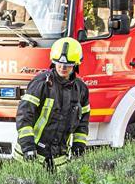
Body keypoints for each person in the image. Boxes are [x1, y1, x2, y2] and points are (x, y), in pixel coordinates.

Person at [14, 37, 91, 165]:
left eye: (67, 65)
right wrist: (28, 147)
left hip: (59, 159)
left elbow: (83, 122)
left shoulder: (81, 89)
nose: (62, 67)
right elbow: (24, 116)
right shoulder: (41, 83)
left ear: (76, 64)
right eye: (58, 63)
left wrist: (79, 146)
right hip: (30, 157)